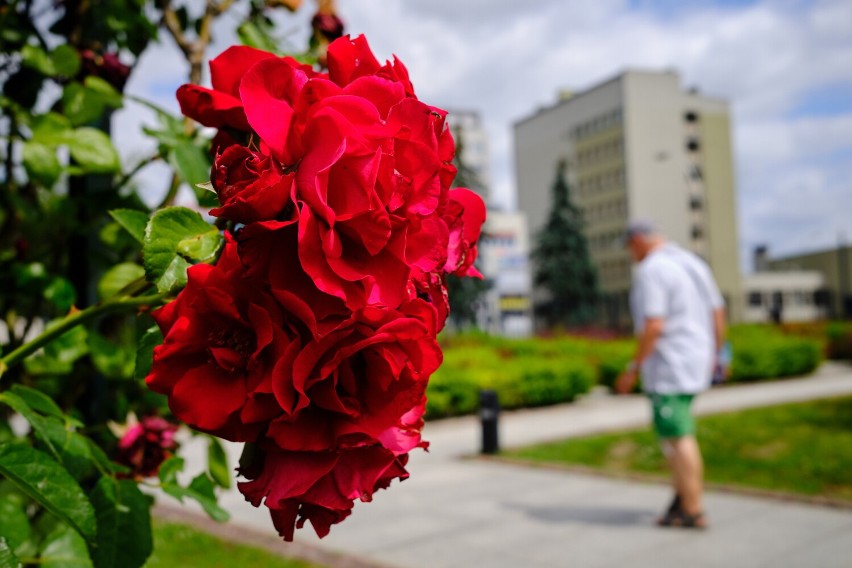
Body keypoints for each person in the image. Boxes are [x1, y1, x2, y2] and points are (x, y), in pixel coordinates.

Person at [615, 220, 726, 529]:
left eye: (629, 247)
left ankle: (693, 509)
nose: (630, 255)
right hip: (695, 362)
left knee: (677, 437)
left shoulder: (653, 270)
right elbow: (718, 312)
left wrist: (632, 368)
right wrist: (718, 354)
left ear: (637, 240)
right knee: (679, 433)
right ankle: (681, 500)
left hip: (670, 366)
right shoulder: (692, 263)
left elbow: (654, 325)